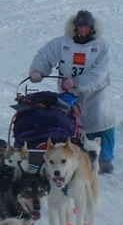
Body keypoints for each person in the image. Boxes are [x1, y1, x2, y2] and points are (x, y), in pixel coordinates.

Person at [28, 10, 116, 174]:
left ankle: (104, 160)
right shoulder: (62, 43)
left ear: (92, 28)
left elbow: (100, 73)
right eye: (80, 27)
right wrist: (38, 71)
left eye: (86, 27)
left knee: (101, 122)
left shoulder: (102, 46)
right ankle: (75, 159)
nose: (82, 30)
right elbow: (45, 56)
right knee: (71, 123)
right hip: (69, 93)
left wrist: (77, 81)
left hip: (96, 93)